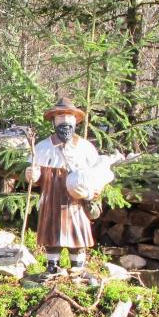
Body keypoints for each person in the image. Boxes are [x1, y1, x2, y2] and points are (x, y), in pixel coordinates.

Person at [24, 97, 101, 275]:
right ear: (53, 121)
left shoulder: (86, 148)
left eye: (69, 117)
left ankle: (78, 267)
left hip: (76, 204)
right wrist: (32, 176)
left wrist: (92, 193)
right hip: (51, 201)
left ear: (75, 121)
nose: (65, 121)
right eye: (60, 117)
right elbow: (36, 177)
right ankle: (52, 266)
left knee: (77, 235)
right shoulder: (42, 148)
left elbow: (96, 177)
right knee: (52, 235)